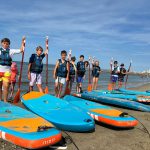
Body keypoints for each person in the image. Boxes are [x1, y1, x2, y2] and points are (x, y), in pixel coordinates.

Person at [0, 37, 24, 102]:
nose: (5, 45)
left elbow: (21, 50)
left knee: (6, 86)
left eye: (7, 44)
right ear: (1, 43)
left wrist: (22, 42)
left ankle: (5, 101)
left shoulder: (11, 51)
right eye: (4, 43)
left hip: (7, 72)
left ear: (9, 44)